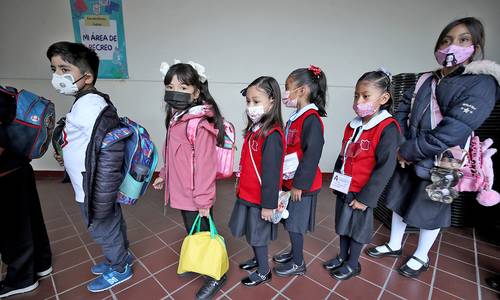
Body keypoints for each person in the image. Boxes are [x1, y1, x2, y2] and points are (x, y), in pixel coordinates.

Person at [366, 17, 500, 278]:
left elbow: (455, 128)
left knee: (433, 207)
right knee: (399, 198)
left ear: (476, 46)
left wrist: (410, 151)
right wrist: (402, 145)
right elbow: (402, 111)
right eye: (446, 40)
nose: (452, 46)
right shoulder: (425, 78)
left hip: (446, 160)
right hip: (409, 153)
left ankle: (421, 255)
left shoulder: (482, 83)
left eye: (463, 40)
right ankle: (394, 244)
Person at [47, 41, 132, 292]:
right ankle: (120, 257)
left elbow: (109, 152)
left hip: (94, 185)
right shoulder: (85, 101)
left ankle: (120, 267)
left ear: (87, 76)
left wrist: (101, 193)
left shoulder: (92, 106)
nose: (57, 76)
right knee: (111, 225)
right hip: (88, 181)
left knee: (103, 228)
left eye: (64, 70)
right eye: (54, 69)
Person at [152, 61, 227, 300]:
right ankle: (202, 262)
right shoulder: (177, 118)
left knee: (205, 231)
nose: (175, 92)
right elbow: (172, 153)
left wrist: (204, 200)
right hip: (183, 191)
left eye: (183, 87)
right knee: (193, 231)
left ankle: (216, 275)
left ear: (196, 91)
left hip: (197, 193)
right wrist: (164, 174)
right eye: (170, 86)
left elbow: (206, 166)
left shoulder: (199, 123)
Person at [326, 70, 400, 280]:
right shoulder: (353, 125)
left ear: (384, 98)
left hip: (362, 191)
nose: (359, 101)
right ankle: (342, 257)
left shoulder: (387, 128)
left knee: (356, 229)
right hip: (345, 187)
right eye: (356, 95)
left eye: (365, 96)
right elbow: (343, 154)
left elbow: (385, 168)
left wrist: (365, 198)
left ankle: (352, 263)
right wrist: (335, 181)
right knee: (342, 225)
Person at [229, 76, 285, 286]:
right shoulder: (255, 129)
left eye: (256, 101)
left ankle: (264, 270)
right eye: (248, 102)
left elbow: (271, 174)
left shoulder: (272, 134)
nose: (250, 107)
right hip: (248, 193)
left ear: (272, 101)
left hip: (261, 198)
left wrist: (268, 205)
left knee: (258, 234)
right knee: (252, 232)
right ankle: (257, 259)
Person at [272, 65, 327, 277]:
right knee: (289, 219)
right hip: (289, 181)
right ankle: (294, 252)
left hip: (301, 186)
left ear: (302, 90)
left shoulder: (311, 119)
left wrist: (298, 185)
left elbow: (312, 155)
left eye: (288, 87)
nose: (285, 92)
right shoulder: (296, 116)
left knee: (295, 224)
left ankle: (298, 263)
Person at [0, 89, 52, 298]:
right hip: (20, 165)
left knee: (11, 228)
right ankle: (42, 262)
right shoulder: (5, 93)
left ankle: (21, 279)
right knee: (30, 219)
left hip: (4, 172)